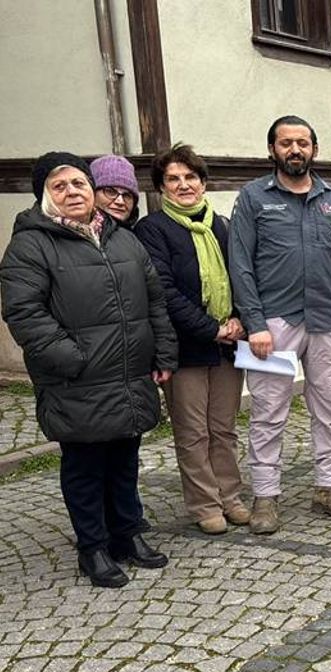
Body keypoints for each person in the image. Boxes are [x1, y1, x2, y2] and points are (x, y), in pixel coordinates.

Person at [1, 152, 177, 587]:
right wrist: (72, 358)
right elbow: (24, 312)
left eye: (79, 183)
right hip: (76, 379)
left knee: (124, 460)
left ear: (90, 188)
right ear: (45, 195)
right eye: (59, 186)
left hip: (128, 374)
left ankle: (127, 534)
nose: (72, 192)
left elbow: (154, 300)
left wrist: (162, 353)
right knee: (84, 467)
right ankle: (93, 547)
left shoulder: (122, 239)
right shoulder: (30, 244)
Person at [228, 115, 331, 534]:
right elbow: (241, 264)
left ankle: (329, 487)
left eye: (303, 143)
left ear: (314, 150)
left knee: (328, 408)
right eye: (286, 143)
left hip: (328, 322)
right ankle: (265, 496)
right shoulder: (254, 197)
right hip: (273, 324)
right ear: (272, 150)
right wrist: (254, 322)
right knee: (268, 412)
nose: (295, 150)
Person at [134, 144, 248, 535]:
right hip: (185, 347)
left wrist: (238, 319)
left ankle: (231, 497)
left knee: (224, 428)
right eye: (173, 179)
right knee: (193, 432)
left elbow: (242, 276)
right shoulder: (152, 230)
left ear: (203, 182)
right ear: (161, 187)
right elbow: (164, 291)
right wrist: (211, 328)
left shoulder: (222, 226)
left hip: (228, 346)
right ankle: (205, 504)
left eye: (190, 177)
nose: (184, 185)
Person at [89, 154, 141, 227]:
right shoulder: (77, 231)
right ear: (92, 193)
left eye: (127, 195)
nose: (120, 202)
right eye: (110, 192)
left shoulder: (139, 232)